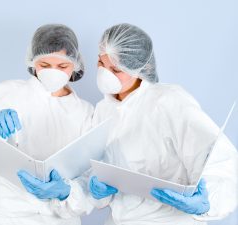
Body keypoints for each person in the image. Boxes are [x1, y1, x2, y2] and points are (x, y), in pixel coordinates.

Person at [0, 24, 94, 225]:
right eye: (45, 65)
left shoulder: (86, 113)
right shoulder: (3, 95)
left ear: (75, 64)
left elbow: (93, 182)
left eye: (62, 66)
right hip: (7, 217)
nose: (53, 72)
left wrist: (67, 192)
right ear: (33, 62)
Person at [89, 23, 238, 225]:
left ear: (138, 68)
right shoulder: (103, 110)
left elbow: (221, 159)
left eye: (115, 69)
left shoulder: (169, 101)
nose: (104, 74)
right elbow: (98, 170)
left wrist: (209, 200)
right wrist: (96, 189)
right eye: (100, 63)